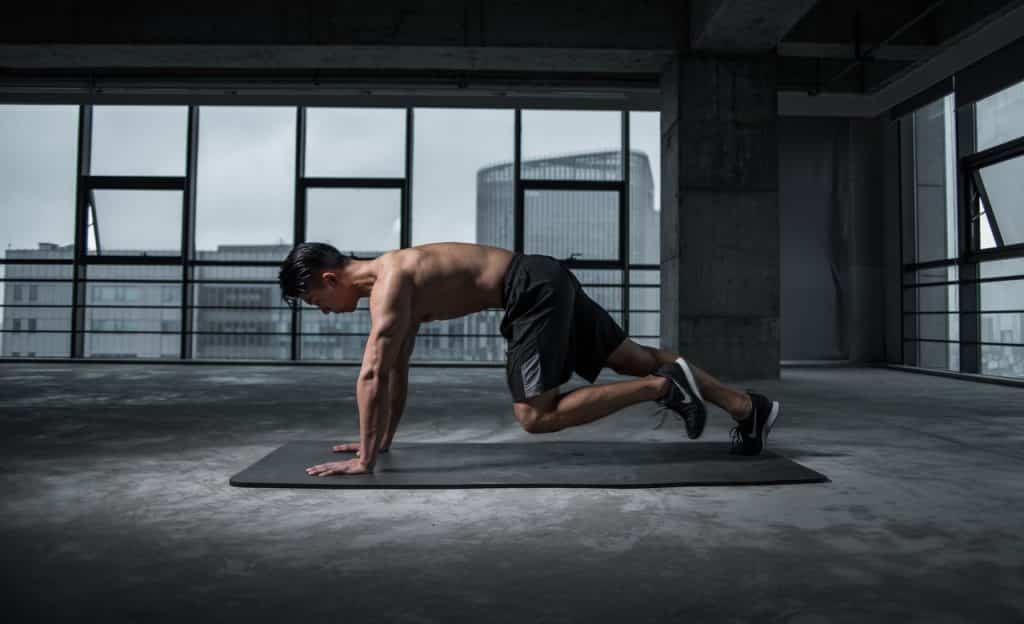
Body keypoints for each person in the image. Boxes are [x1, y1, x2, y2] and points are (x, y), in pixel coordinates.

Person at [278, 241, 780, 476]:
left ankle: (665, 388)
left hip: (529, 289)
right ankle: (745, 407)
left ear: (328, 279)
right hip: (542, 275)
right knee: (632, 356)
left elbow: (371, 373)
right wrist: (380, 441)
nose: (324, 312)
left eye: (316, 303)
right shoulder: (393, 280)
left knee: (536, 416)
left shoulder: (389, 285)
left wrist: (365, 461)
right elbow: (395, 369)